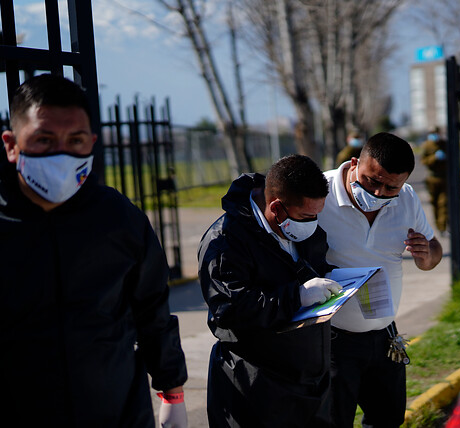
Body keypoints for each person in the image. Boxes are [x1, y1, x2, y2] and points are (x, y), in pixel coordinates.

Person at [0, 74, 187, 426]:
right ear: (11, 145)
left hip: (117, 412)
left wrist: (172, 389)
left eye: (76, 140)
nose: (62, 153)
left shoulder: (118, 218)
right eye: (44, 139)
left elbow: (152, 309)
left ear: (93, 143)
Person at [198, 154, 342, 427]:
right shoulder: (225, 241)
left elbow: (313, 266)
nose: (313, 223)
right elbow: (230, 309)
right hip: (255, 387)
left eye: (317, 215)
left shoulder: (301, 226)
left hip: (310, 380)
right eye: (306, 216)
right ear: (276, 207)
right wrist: (296, 296)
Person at [317, 132, 443, 428]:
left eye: (391, 187)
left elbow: (434, 247)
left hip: (384, 337)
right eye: (372, 180)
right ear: (354, 163)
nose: (378, 193)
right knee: (333, 421)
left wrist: (428, 257)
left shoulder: (407, 198)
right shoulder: (319, 192)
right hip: (333, 340)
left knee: (388, 419)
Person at [420, 127, 448, 234]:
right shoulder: (427, 145)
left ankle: (442, 227)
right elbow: (424, 161)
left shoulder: (444, 144)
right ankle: (438, 225)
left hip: (443, 177)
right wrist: (434, 158)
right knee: (434, 203)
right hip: (432, 178)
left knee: (443, 203)